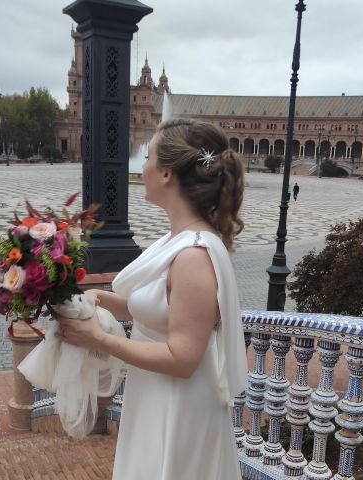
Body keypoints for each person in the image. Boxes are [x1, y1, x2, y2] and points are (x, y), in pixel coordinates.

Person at [55, 119, 247, 479]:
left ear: (167, 174)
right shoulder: (175, 239)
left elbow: (182, 357)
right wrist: (100, 297)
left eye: (148, 157)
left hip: (180, 401)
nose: (141, 167)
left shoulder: (193, 255)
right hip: (154, 391)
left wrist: (98, 339)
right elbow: (154, 308)